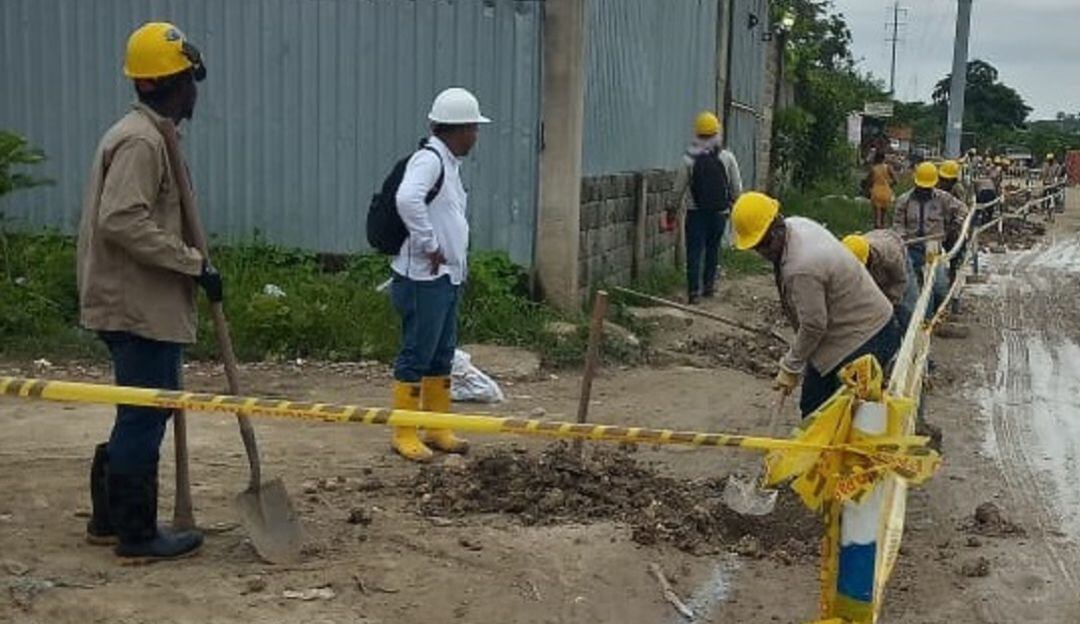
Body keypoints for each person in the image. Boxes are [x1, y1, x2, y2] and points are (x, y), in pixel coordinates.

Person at [76, 22, 216, 562]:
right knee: (146, 411)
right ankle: (136, 533)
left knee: (140, 408)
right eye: (190, 80)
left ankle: (109, 520)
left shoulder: (150, 135)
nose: (195, 91)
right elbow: (120, 219)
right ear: (173, 84)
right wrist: (192, 264)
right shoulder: (141, 141)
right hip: (136, 304)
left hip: (136, 300)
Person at [389, 87, 491, 462]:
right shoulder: (429, 160)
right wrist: (429, 243)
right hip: (423, 278)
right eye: (473, 129)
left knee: (442, 355)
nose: (475, 136)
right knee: (417, 353)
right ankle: (405, 432)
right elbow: (406, 199)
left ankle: (436, 427)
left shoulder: (448, 164)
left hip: (445, 277)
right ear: (457, 129)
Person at [731, 192, 898, 417]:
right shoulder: (795, 225)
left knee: (843, 416)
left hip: (867, 338)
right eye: (757, 247)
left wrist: (790, 366)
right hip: (846, 333)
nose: (763, 252)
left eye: (766, 243)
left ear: (777, 226)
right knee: (813, 405)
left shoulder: (801, 266)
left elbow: (813, 325)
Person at [672, 111, 743, 304]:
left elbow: (678, 188)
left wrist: (671, 209)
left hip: (696, 213)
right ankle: (709, 287)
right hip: (719, 213)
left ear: (697, 134)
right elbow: (737, 188)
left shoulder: (689, 159)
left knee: (694, 252)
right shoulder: (727, 157)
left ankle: (693, 292)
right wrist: (735, 206)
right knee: (713, 250)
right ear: (717, 133)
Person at [892, 162, 967, 314]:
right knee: (912, 289)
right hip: (911, 248)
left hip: (933, 247)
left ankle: (936, 313)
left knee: (939, 288)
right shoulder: (904, 200)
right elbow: (898, 224)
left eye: (927, 187)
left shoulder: (943, 198)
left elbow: (962, 209)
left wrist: (955, 224)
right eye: (922, 187)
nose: (924, 190)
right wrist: (902, 238)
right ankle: (919, 319)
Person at [842, 231, 917, 332]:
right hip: (877, 249)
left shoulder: (890, 255)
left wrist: (892, 304)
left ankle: (912, 330)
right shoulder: (846, 256)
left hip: (898, 258)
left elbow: (900, 281)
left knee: (907, 305)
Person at [863, 151, 895, 229]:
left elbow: (868, 182)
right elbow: (895, 180)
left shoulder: (873, 169)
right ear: (884, 159)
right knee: (883, 216)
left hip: (876, 191)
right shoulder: (888, 168)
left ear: (875, 159)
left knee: (877, 216)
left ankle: (877, 228)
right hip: (886, 192)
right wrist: (890, 185)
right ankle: (882, 227)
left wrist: (866, 191)